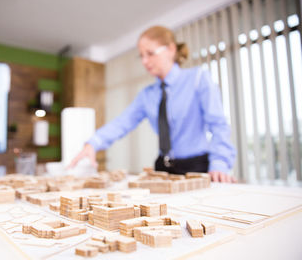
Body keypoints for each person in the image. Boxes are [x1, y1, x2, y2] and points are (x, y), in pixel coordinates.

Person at [69, 25, 236, 183]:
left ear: (171, 49)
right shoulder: (147, 94)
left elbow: (218, 125)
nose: (144, 61)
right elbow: (122, 123)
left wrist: (220, 164)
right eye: (141, 55)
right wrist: (93, 143)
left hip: (197, 167)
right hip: (162, 168)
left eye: (150, 53)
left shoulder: (198, 79)